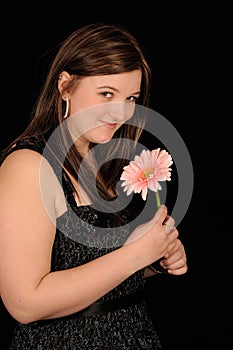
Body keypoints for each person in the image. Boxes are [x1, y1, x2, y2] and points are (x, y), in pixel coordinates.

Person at [0, 22, 188, 349]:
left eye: (131, 97)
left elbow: (91, 271)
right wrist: (134, 255)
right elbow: (24, 303)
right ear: (65, 86)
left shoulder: (102, 163)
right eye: (106, 94)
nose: (120, 111)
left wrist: (154, 259)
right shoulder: (30, 166)